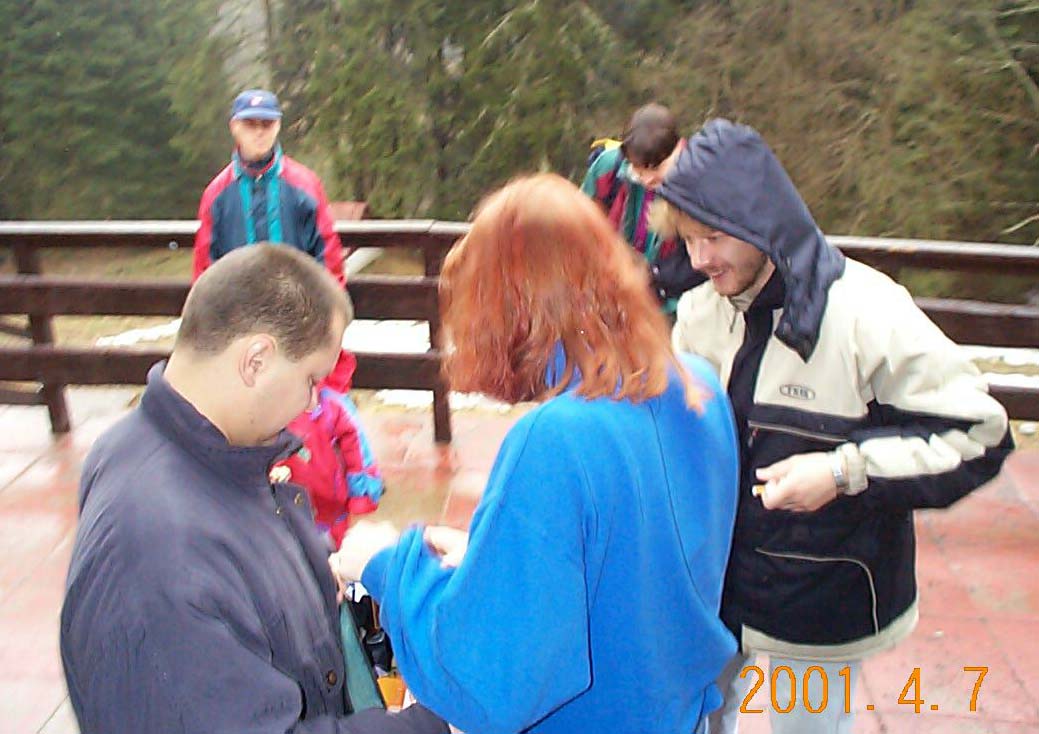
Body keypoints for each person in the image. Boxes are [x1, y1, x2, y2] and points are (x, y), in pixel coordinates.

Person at [328, 173, 741, 734]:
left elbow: (489, 681)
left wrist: (385, 564)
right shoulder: (698, 385)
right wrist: (492, 555)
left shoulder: (557, 438)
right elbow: (635, 567)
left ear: (512, 309)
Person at [650, 118, 1015, 733]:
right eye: (687, 240)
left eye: (714, 236)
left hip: (820, 604)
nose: (700, 259)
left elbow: (980, 433)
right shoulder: (698, 312)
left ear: (762, 221)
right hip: (714, 593)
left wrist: (843, 472)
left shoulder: (868, 311)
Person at [60, 245, 446, 734]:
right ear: (256, 360)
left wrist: (315, 569)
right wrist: (436, 725)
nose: (312, 402)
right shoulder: (161, 553)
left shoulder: (148, 444)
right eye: (311, 379)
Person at [193, 88, 345, 284]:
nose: (259, 132)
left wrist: (327, 303)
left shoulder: (307, 186)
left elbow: (329, 261)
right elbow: (204, 271)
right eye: (250, 124)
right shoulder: (216, 194)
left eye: (267, 123)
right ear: (234, 126)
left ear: (278, 126)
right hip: (238, 303)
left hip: (298, 302)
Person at [581, 102, 704, 315]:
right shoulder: (607, 169)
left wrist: (653, 277)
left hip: (671, 306)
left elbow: (702, 261)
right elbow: (579, 223)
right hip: (608, 296)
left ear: (678, 150)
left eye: (655, 168)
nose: (646, 179)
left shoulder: (698, 186)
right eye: (637, 169)